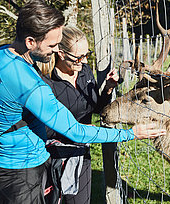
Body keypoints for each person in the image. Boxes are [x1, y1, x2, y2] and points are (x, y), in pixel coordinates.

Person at [0, 1, 166, 203]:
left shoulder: (0, 54)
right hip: (24, 170)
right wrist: (131, 133)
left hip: (6, 163)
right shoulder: (31, 85)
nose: (55, 51)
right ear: (30, 42)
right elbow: (75, 131)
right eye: (52, 45)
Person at [39, 26, 118, 204]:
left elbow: (96, 109)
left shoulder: (85, 72)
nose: (84, 60)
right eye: (79, 56)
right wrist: (77, 131)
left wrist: (108, 87)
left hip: (81, 155)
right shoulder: (47, 82)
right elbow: (44, 127)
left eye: (87, 54)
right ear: (61, 53)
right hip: (54, 157)